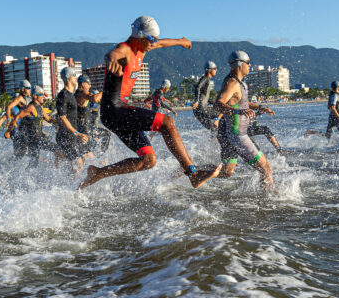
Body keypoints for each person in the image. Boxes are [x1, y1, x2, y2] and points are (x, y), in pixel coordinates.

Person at [78, 16, 221, 189]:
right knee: (167, 122)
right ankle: (193, 173)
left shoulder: (142, 49)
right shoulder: (125, 49)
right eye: (151, 39)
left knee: (148, 160)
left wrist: (180, 41)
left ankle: (99, 173)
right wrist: (110, 60)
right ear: (140, 36)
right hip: (113, 109)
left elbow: (160, 43)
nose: (153, 43)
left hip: (119, 113)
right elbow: (112, 54)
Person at [213, 51, 274, 191]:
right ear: (240, 64)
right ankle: (270, 202)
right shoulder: (232, 83)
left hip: (233, 134)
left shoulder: (240, 83)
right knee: (266, 169)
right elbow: (217, 104)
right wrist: (238, 112)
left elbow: (242, 104)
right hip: (238, 135)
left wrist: (260, 107)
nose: (250, 65)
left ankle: (192, 170)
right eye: (248, 63)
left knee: (226, 172)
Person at [4, 86, 60, 166]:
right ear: (35, 96)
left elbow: (48, 119)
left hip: (39, 137)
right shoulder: (30, 108)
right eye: (41, 94)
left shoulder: (40, 107)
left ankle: (29, 177)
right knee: (57, 150)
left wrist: (61, 122)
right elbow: (16, 118)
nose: (43, 96)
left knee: (34, 163)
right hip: (33, 139)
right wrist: (8, 131)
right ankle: (59, 172)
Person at [56, 67, 91, 171]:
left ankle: (66, 184)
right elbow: (62, 117)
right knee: (79, 165)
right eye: (74, 75)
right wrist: (78, 133)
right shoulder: (63, 95)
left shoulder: (71, 95)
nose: (76, 78)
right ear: (68, 78)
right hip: (66, 136)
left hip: (72, 136)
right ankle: (75, 187)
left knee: (79, 163)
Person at [75, 75, 111, 153]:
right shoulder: (81, 94)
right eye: (89, 83)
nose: (90, 86)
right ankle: (102, 157)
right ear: (83, 84)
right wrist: (106, 89)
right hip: (84, 132)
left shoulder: (78, 94)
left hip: (86, 129)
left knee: (106, 134)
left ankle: (102, 156)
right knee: (87, 156)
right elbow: (95, 99)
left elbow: (94, 98)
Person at [192, 61, 222, 131]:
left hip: (197, 111)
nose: (216, 70)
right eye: (215, 68)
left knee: (212, 128)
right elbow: (197, 87)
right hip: (202, 109)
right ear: (209, 70)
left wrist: (213, 103)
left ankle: (213, 140)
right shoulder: (205, 78)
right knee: (222, 112)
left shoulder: (205, 79)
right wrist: (197, 100)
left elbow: (204, 97)